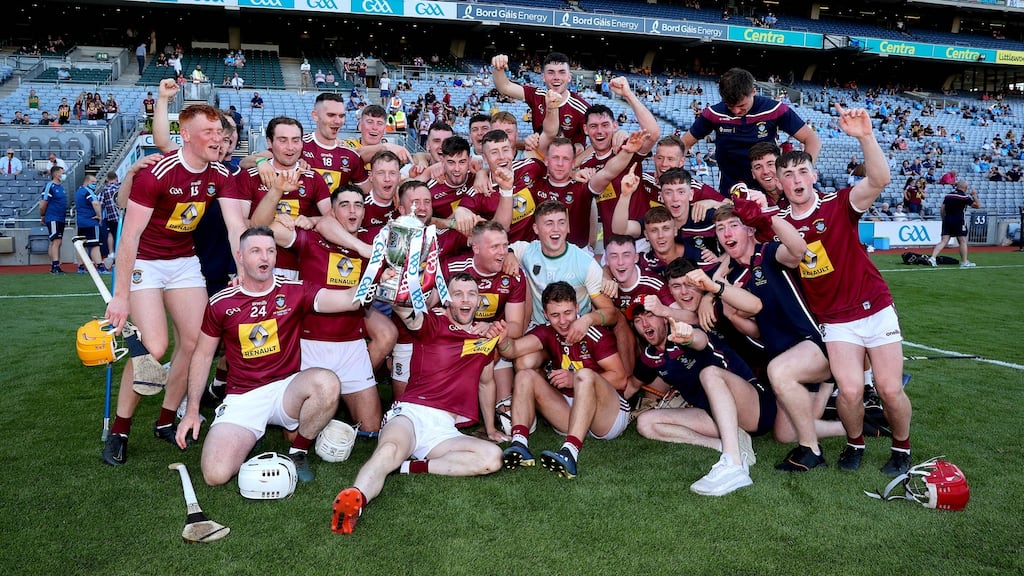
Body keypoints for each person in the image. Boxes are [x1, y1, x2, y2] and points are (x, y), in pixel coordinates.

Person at [101, 103, 239, 467]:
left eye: (220, 132)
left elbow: (236, 227)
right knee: (154, 346)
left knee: (195, 344)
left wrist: (241, 271)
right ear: (188, 136)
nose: (217, 138)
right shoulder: (157, 173)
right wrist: (120, 296)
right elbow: (129, 237)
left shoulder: (220, 174)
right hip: (146, 262)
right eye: (208, 132)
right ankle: (119, 430)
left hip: (183, 263)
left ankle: (166, 419)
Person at [778, 104, 913, 477]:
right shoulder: (780, 223)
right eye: (788, 174)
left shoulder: (839, 204)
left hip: (875, 307)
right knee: (851, 392)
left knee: (887, 388)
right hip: (836, 320)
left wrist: (866, 136)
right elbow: (791, 254)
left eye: (802, 170)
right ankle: (856, 442)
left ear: (813, 175)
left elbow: (879, 179)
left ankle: (902, 447)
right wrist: (768, 216)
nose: (797, 178)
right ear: (781, 184)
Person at [176, 226, 362, 485]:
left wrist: (380, 281)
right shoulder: (221, 302)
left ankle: (298, 452)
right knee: (215, 475)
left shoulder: (295, 290)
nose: (264, 258)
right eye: (256, 251)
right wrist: (192, 411)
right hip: (244, 397)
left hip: (286, 389)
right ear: (240, 256)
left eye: (270, 251)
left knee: (327, 382)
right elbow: (203, 355)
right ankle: (252, 433)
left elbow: (348, 300)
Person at [331, 272, 504, 535]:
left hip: (444, 428)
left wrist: (490, 428)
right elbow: (409, 313)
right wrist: (395, 290)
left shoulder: (485, 338)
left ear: (479, 300)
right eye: (458, 294)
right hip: (411, 412)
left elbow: (486, 382)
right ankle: (355, 500)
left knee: (492, 457)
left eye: (471, 294)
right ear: (447, 301)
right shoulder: (434, 324)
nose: (465, 300)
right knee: (388, 450)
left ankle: (409, 466)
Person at [714, 201, 846, 470]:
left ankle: (812, 451)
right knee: (784, 433)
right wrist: (732, 315)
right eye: (720, 228)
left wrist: (765, 216)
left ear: (749, 230)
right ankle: (854, 425)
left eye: (733, 225)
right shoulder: (736, 277)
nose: (727, 233)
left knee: (778, 371)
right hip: (787, 358)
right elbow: (760, 331)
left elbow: (799, 249)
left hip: (813, 345)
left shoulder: (768, 252)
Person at [267, 185, 383, 434]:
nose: (352, 211)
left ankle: (335, 402)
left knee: (372, 428)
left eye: (358, 205)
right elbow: (272, 232)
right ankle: (322, 406)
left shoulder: (374, 240)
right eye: (344, 205)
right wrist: (295, 220)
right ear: (332, 211)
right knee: (294, 433)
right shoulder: (312, 238)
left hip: (353, 345)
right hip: (312, 344)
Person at [629, 297, 761, 496]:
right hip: (713, 414)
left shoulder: (682, 333)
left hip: (753, 405)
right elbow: (630, 386)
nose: (645, 323)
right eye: (638, 320)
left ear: (664, 318)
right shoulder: (649, 357)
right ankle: (724, 444)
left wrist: (688, 336)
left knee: (709, 373)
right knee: (645, 422)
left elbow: (700, 340)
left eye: (650, 315)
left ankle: (734, 464)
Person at [497, 281, 630, 479]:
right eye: (555, 315)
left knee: (583, 375)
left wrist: (572, 380)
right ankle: (519, 444)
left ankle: (570, 452)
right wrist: (503, 340)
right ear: (545, 314)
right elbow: (513, 350)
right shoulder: (548, 331)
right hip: (571, 409)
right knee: (525, 374)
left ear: (577, 308)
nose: (563, 321)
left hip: (608, 416)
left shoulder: (594, 333)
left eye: (568, 312)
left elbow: (620, 379)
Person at [445, 220, 528, 441]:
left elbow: (517, 327)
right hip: (455, 342)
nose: (502, 253)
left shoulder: (514, 276)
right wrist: (468, 329)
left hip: (495, 347)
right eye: (495, 247)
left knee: (510, 425)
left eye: (505, 246)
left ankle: (494, 414)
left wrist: (493, 329)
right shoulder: (452, 268)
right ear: (476, 247)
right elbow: (436, 315)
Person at [682, 68, 821, 195]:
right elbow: (684, 144)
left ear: (753, 92)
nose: (736, 111)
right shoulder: (713, 113)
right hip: (731, 191)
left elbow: (812, 140)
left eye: (741, 105)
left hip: (772, 190)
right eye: (730, 106)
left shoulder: (774, 109)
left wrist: (803, 175)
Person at [491, 52, 590, 151]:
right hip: (538, 159)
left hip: (568, 163)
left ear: (569, 77)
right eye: (551, 72)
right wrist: (498, 67)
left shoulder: (582, 109)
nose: (556, 77)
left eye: (562, 72)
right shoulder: (537, 95)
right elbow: (505, 87)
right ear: (543, 77)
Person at [928, 180, 981, 268]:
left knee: (944, 241)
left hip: (947, 219)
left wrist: (944, 219)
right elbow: (978, 205)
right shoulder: (965, 197)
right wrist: (974, 195)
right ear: (965, 188)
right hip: (959, 220)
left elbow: (942, 209)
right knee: (962, 241)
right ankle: (964, 262)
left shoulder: (948, 195)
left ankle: (933, 257)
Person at [74, 174, 109, 275]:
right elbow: (95, 203)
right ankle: (100, 267)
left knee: (82, 246)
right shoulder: (88, 191)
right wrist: (99, 215)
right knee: (95, 245)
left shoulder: (78, 191)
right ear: (87, 182)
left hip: (81, 222)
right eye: (93, 182)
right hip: (90, 221)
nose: (95, 184)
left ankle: (80, 267)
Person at [39, 165, 67, 275]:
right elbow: (43, 204)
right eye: (62, 172)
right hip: (53, 217)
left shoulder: (60, 187)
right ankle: (55, 266)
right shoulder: (50, 186)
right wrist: (42, 215)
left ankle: (54, 265)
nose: (63, 175)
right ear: (56, 174)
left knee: (55, 242)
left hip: (60, 217)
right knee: (56, 241)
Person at [98, 171, 121, 259]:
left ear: (108, 179)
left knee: (110, 234)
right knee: (121, 235)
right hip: (122, 216)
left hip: (110, 217)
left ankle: (111, 253)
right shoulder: (120, 187)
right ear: (116, 178)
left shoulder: (105, 190)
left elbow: (100, 203)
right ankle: (120, 253)